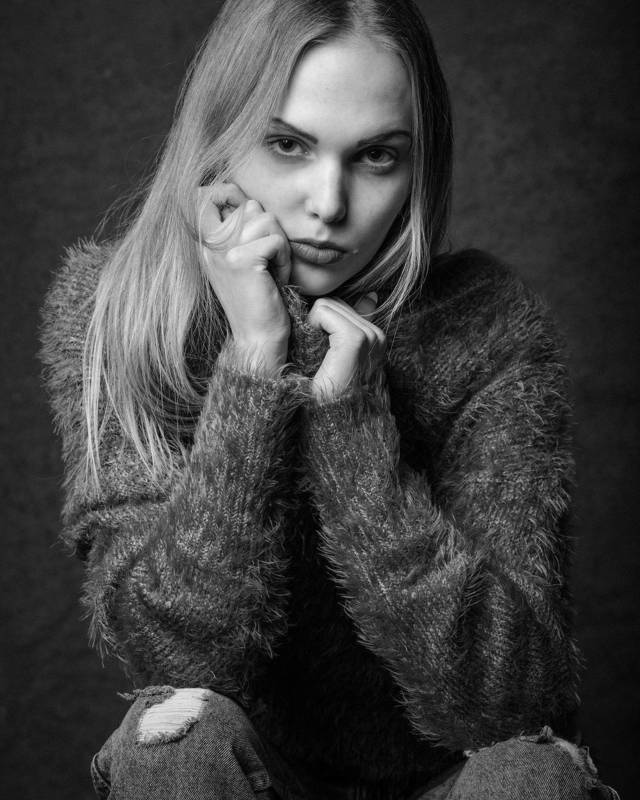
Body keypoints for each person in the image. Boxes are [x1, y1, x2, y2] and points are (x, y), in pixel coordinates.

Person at [40, 0, 619, 798]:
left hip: (441, 781)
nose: (329, 203)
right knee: (171, 742)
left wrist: (353, 425)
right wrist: (255, 363)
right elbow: (179, 663)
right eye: (288, 144)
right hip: (247, 774)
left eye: (376, 156)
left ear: (418, 167)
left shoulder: (486, 325)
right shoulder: (120, 310)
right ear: (219, 136)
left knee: (532, 771)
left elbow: (510, 702)